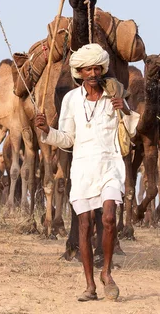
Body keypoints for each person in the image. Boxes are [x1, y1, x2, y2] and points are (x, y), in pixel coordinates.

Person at [34, 43, 139, 301]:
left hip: (110, 165)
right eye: (87, 69)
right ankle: (90, 285)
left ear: (102, 69)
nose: (92, 73)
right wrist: (47, 130)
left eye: (96, 68)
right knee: (84, 224)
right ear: (79, 72)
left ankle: (107, 273)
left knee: (109, 218)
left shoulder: (114, 96)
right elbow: (68, 138)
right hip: (82, 168)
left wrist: (123, 109)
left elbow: (132, 129)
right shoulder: (71, 100)